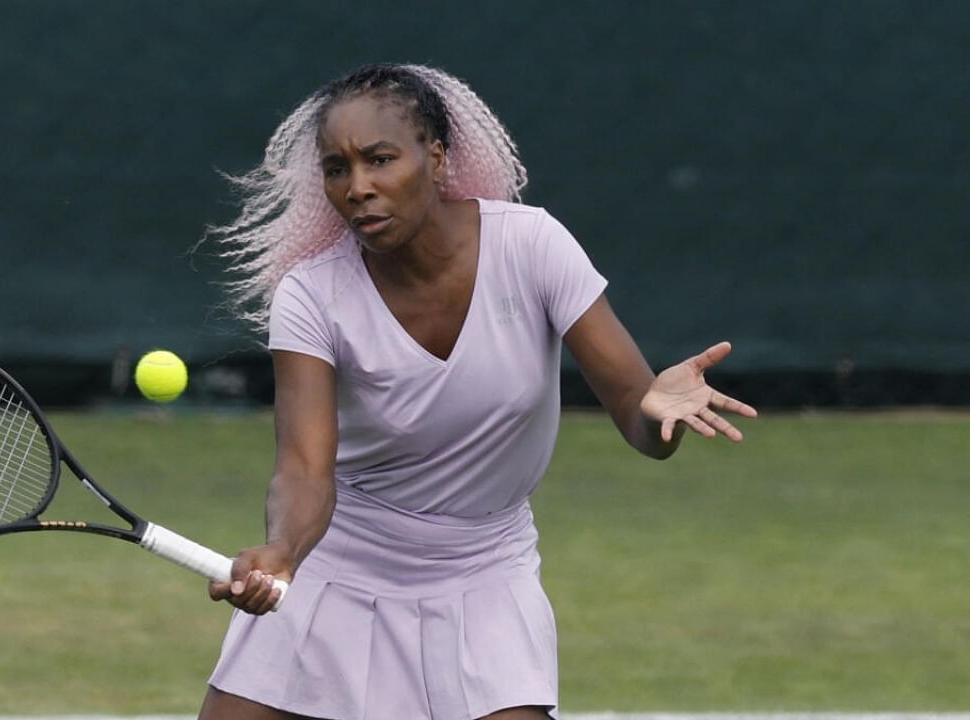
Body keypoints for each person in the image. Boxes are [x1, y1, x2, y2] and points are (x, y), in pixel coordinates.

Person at [197, 63, 758, 720]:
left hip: (484, 573)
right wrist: (284, 552)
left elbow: (639, 420)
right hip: (339, 564)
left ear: (436, 159)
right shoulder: (310, 294)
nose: (359, 187)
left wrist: (657, 414)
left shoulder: (532, 247)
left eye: (381, 159)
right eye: (337, 168)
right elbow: (303, 469)